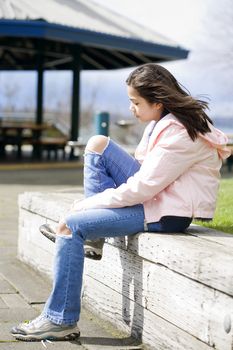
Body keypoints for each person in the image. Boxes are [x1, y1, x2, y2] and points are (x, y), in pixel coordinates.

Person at [11, 63, 230, 341]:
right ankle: (94, 238)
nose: (131, 109)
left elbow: (143, 188)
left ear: (158, 102)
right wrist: (94, 205)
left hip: (167, 211)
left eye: (135, 102)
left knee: (70, 226)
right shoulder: (161, 123)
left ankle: (60, 320)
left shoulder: (180, 133)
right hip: (157, 197)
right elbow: (144, 170)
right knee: (98, 144)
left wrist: (85, 206)